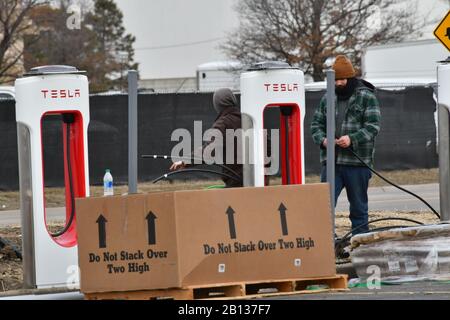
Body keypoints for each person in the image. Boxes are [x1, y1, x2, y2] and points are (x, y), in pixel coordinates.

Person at [311, 55, 381, 235]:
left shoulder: (366, 97)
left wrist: (352, 139)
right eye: (336, 80)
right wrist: (323, 140)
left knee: (358, 208)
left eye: (342, 79)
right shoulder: (327, 98)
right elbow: (315, 125)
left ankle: (360, 244)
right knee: (323, 207)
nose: (339, 83)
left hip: (357, 164)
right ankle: (329, 245)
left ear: (351, 78)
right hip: (332, 163)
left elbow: (373, 127)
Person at [170, 88, 243, 188]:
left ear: (218, 105)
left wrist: (185, 161)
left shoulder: (222, 123)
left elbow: (209, 151)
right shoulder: (248, 119)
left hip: (235, 182)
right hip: (256, 180)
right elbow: (266, 144)